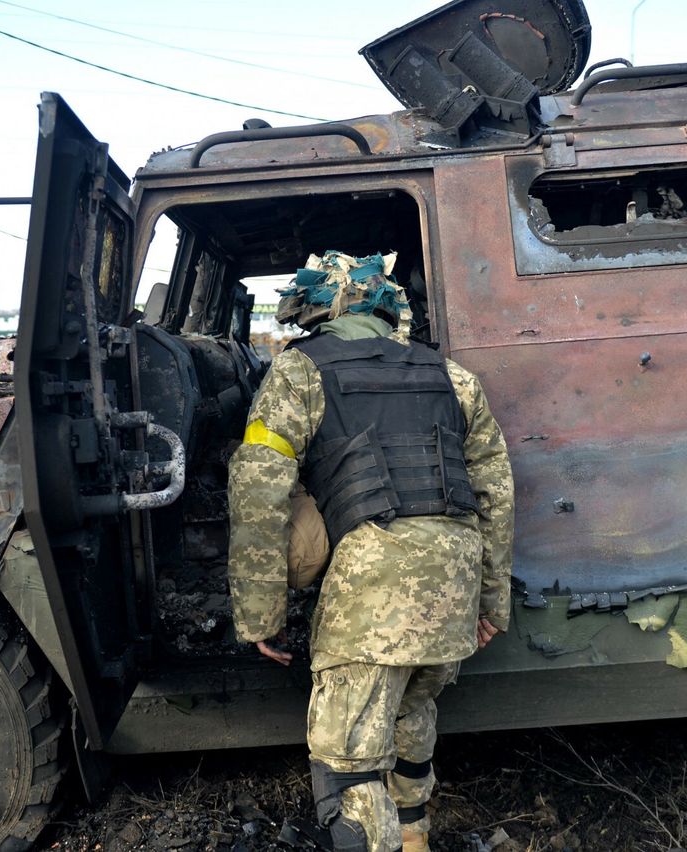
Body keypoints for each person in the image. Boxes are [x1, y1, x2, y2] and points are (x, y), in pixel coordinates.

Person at [228, 250, 515, 852]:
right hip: (453, 582)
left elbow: (258, 491)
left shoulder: (298, 372)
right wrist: (491, 602)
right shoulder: (452, 375)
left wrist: (261, 616)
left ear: (317, 310)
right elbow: (495, 493)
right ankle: (415, 841)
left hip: (372, 586)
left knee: (349, 765)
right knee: (411, 713)